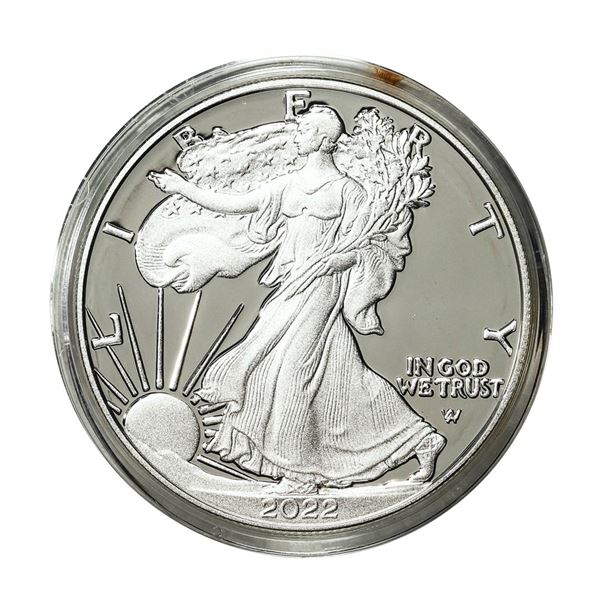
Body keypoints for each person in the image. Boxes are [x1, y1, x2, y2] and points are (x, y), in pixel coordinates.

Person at [148, 104, 445, 493]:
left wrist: (335, 260)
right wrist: (181, 188)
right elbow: (234, 204)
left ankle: (299, 474)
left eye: (304, 131)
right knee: (333, 373)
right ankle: (420, 439)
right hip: (291, 285)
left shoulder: (349, 191)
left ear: (322, 139)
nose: (298, 136)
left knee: (292, 372)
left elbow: (367, 245)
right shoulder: (288, 185)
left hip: (322, 286)